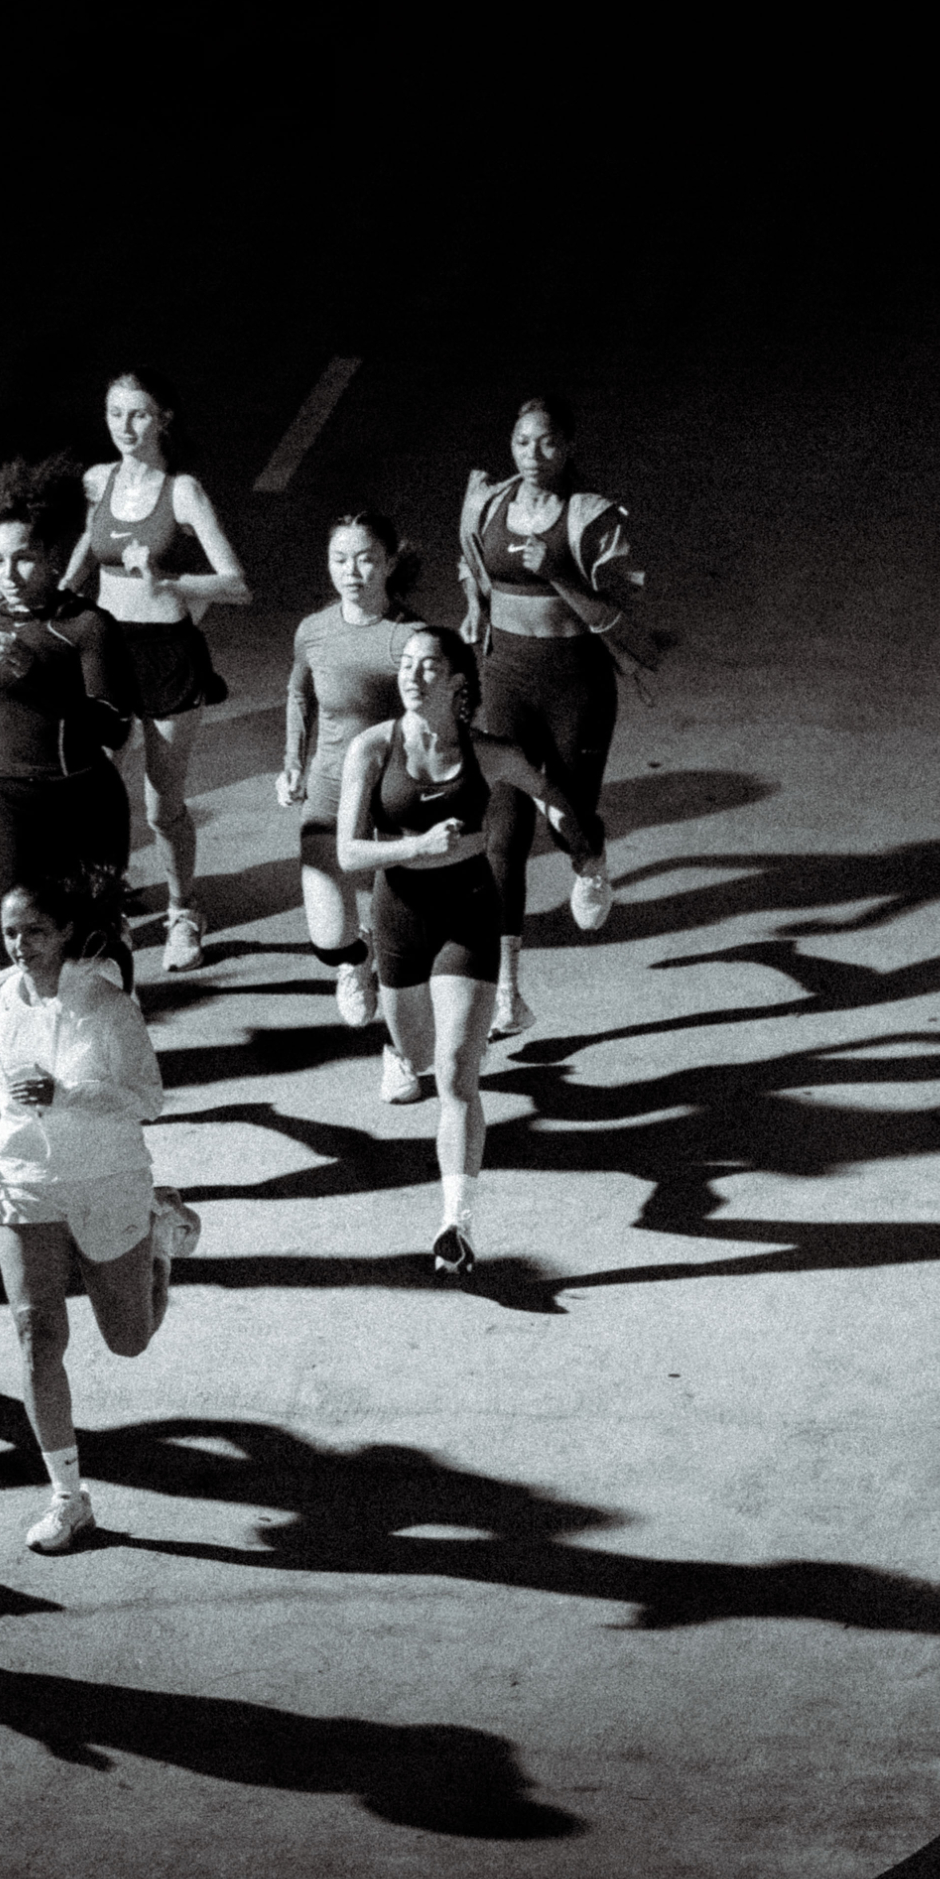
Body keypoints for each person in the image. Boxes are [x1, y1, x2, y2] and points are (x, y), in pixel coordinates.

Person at [333, 623, 605, 1279]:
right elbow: (346, 854)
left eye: (429, 667)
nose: (412, 675)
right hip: (397, 915)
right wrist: (412, 848)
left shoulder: (489, 753)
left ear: (458, 683)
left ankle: (454, 1224)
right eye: (406, 665)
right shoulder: (372, 749)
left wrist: (581, 846)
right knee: (420, 1056)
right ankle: (393, 1040)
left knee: (456, 1075)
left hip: (468, 912)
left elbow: (552, 800)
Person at [0, 873, 195, 1553]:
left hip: (106, 1177)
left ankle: (160, 1234)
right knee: (35, 1335)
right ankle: (67, 1497)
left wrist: (67, 1093)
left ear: (62, 935)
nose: (19, 945)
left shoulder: (106, 1006)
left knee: (127, 1339)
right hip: (23, 1180)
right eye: (10, 931)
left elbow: (147, 1098)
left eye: (34, 932)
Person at [457, 393, 640, 1039]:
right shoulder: (488, 502)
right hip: (503, 680)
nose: (532, 455)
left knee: (567, 818)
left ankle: (588, 860)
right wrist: (473, 616)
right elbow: (472, 566)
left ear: (568, 447)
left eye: (546, 443)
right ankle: (507, 991)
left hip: (575, 685)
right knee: (501, 839)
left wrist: (558, 571)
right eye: (521, 442)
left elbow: (620, 615)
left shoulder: (591, 517)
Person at [62, 365, 252, 971]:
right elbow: (82, 559)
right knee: (93, 792)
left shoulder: (183, 491)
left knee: (161, 807)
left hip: (168, 657)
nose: (125, 425)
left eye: (139, 413)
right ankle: (101, 911)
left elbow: (237, 585)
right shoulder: (97, 481)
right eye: (116, 413)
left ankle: (182, 912)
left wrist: (169, 579)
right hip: (105, 652)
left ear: (163, 418)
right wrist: (52, 601)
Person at [0, 465, 136, 981]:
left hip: (77, 804)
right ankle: (23, 1053)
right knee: (10, 943)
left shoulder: (87, 628)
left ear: (55, 558)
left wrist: (40, 679)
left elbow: (113, 727)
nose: (7, 575)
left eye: (24, 559)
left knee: (89, 952)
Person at [276, 509, 422, 1028]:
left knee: (405, 927)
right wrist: (292, 762)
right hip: (331, 785)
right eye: (340, 559)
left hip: (396, 792)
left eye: (365, 560)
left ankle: (403, 1032)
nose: (351, 572)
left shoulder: (411, 638)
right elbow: (298, 694)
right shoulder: (313, 631)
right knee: (329, 938)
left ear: (388, 564)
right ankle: (357, 962)